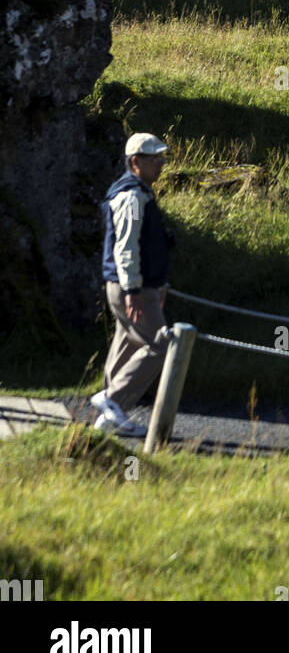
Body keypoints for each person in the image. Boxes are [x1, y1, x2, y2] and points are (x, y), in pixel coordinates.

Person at [91, 132, 175, 438]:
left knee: (127, 342)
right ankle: (113, 400)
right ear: (135, 161)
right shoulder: (133, 197)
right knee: (160, 344)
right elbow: (126, 249)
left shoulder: (138, 193)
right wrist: (133, 291)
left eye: (162, 158)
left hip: (135, 286)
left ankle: (112, 415)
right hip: (132, 287)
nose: (161, 165)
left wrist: (157, 285)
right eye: (155, 159)